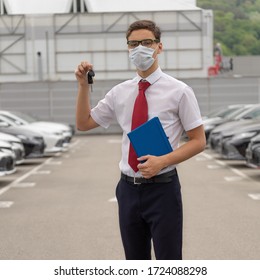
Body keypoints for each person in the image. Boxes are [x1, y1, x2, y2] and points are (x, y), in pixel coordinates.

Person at [75, 20, 206, 260]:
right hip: (127, 189)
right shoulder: (120, 92)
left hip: (163, 189)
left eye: (146, 42)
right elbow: (83, 123)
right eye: (133, 44)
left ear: (159, 47)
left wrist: (162, 161)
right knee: (135, 262)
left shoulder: (179, 91)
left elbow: (199, 140)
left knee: (169, 262)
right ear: (128, 48)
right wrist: (83, 86)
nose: (140, 48)